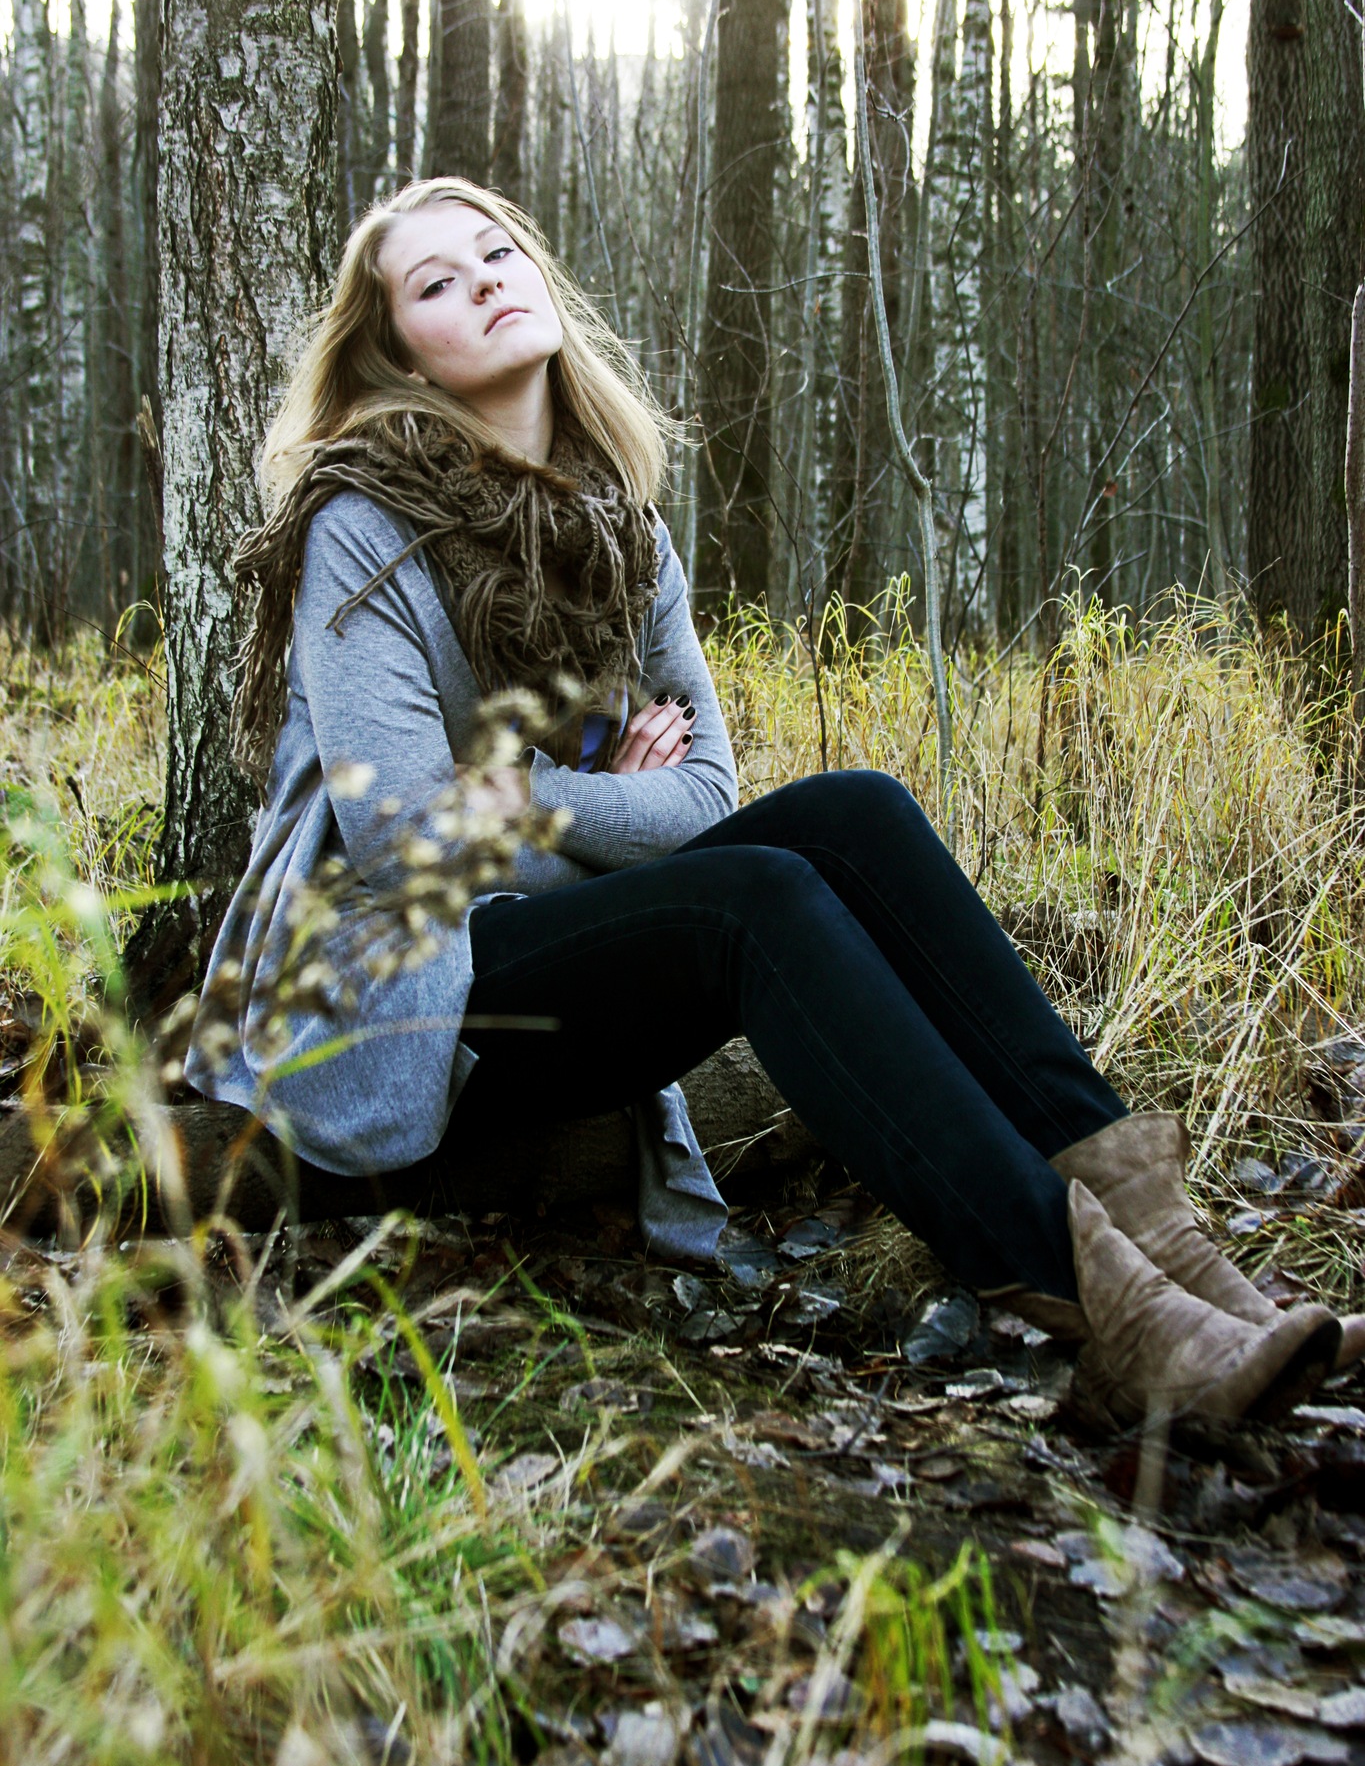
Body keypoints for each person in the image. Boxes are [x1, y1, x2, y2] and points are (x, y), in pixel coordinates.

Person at [187, 177, 1354, 1434]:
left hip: (540, 949)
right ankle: (1108, 1312)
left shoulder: (622, 534)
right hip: (394, 991)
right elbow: (404, 839)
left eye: (497, 251)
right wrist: (605, 813)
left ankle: (1185, 1263)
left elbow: (702, 795)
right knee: (754, 897)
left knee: (855, 812)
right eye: (435, 282)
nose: (482, 279)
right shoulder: (361, 524)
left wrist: (525, 795)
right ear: (397, 351)